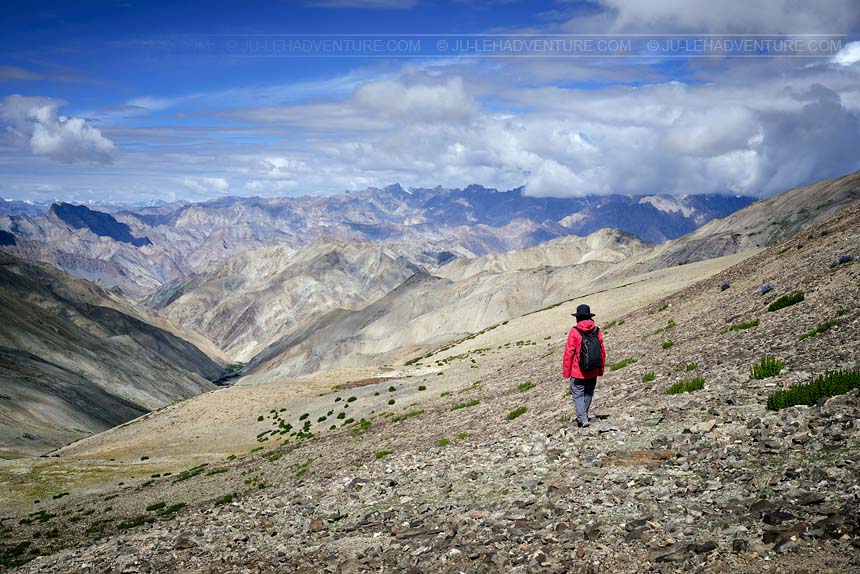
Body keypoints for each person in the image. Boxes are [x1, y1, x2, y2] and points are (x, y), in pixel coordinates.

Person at [562, 304, 606, 427]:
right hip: (593, 370)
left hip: (578, 371)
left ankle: (583, 418)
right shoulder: (596, 330)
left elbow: (569, 353)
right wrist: (600, 370)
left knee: (578, 394)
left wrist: (566, 372)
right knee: (588, 394)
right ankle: (583, 416)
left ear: (578, 317)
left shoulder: (575, 331)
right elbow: (602, 351)